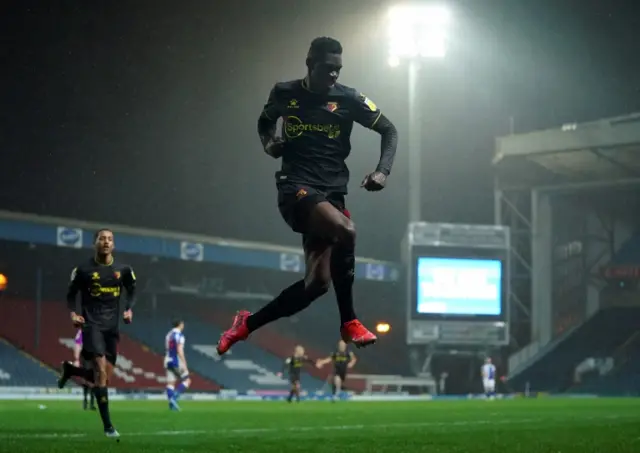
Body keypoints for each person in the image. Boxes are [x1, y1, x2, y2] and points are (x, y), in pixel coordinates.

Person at [217, 36, 399, 356]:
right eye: (328, 68)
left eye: (338, 69)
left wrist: (382, 171)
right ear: (310, 64)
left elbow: (389, 130)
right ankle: (349, 320)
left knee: (317, 285)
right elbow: (264, 122)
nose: (334, 75)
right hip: (295, 186)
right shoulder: (285, 92)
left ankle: (245, 324)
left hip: (332, 193)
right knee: (347, 230)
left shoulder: (349, 98)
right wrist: (269, 142)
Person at [57, 228, 136, 438]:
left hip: (112, 328)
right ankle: (109, 427)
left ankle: (71, 371)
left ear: (114, 244)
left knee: (102, 377)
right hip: (92, 326)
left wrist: (128, 308)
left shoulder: (123, 269)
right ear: (95, 243)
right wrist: (73, 314)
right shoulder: (82, 270)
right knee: (100, 373)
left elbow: (132, 289)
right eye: (102, 239)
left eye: (110, 239)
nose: (106, 242)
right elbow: (70, 295)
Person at [164, 319, 191, 411]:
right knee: (187, 380)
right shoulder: (180, 335)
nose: (183, 325)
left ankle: (172, 406)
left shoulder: (168, 335)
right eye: (182, 324)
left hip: (167, 360)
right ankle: (174, 398)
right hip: (176, 361)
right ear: (179, 325)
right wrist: (184, 362)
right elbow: (179, 350)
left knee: (170, 383)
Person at [73, 329, 96, 410]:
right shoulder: (82, 331)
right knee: (86, 381)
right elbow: (77, 344)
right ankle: (85, 402)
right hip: (86, 358)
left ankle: (91, 403)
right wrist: (76, 359)